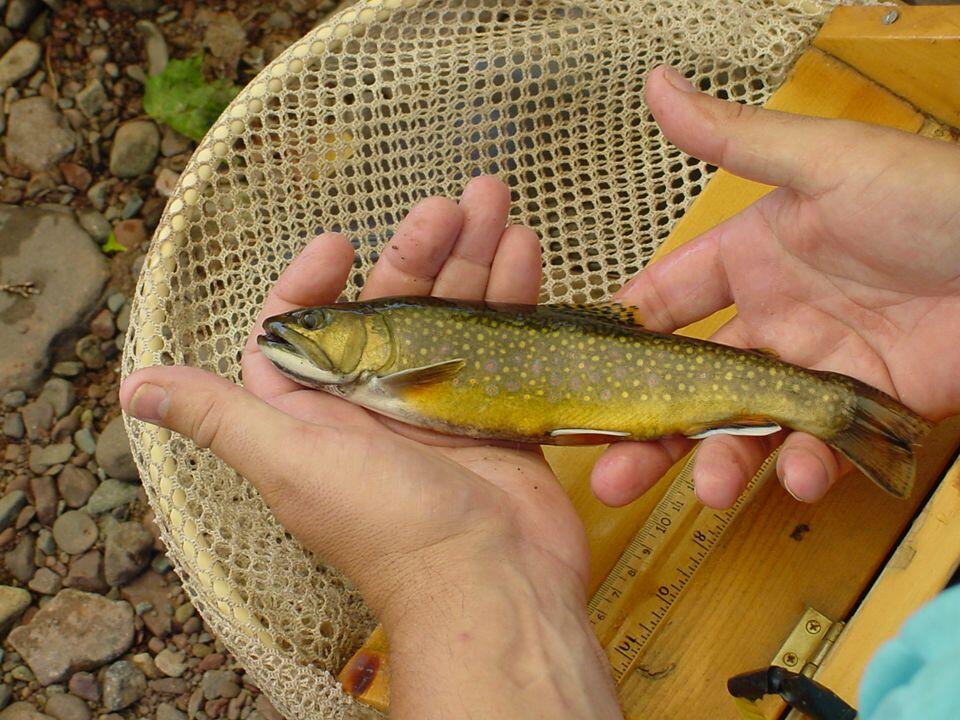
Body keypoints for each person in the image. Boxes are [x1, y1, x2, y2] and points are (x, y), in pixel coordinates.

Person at [119, 65, 960, 718]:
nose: (297, 332)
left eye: (320, 327)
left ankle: (836, 409)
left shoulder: (396, 365)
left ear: (368, 341)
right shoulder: (389, 366)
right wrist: (458, 563)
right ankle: (838, 410)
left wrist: (451, 573)